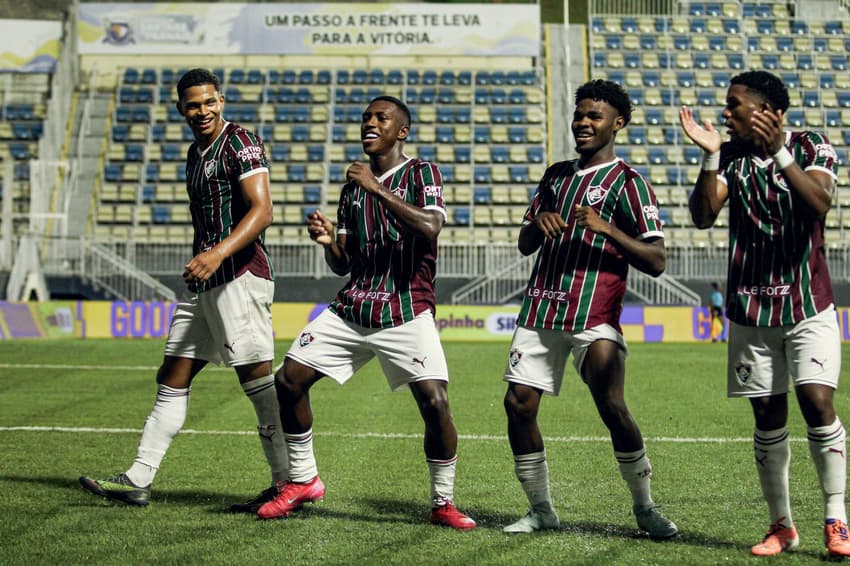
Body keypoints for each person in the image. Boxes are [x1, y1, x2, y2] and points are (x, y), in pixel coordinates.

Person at [254, 95, 475, 530]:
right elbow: (345, 263)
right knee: (288, 379)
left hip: (407, 308)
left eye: (380, 118)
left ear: (402, 131)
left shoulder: (420, 173)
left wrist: (378, 188)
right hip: (355, 305)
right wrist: (328, 244)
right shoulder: (351, 188)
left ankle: (442, 501)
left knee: (434, 402)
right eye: (365, 119)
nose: (369, 124)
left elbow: (431, 226)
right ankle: (303, 480)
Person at [80, 68, 287, 512]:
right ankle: (138, 478)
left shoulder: (240, 141)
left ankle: (286, 482)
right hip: (205, 283)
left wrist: (215, 254)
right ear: (181, 109)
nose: (202, 111)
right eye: (193, 105)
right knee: (171, 375)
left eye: (209, 102)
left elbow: (263, 210)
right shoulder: (196, 153)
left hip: (239, 275)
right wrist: (204, 261)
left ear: (222, 101)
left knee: (257, 381)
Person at [680, 69, 849, 558]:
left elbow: (819, 203)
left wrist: (778, 152)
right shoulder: (730, 156)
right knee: (767, 416)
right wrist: (710, 157)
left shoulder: (811, 145)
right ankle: (782, 525)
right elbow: (703, 215)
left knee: (817, 404)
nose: (725, 114)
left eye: (733, 105)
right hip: (751, 310)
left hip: (807, 305)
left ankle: (836, 517)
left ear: (765, 111)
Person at [501, 79, 678, 539]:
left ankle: (645, 507)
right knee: (517, 405)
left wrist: (607, 230)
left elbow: (657, 260)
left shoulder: (630, 184)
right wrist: (538, 225)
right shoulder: (556, 175)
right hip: (540, 310)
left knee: (612, 405)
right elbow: (524, 244)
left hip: (595, 314)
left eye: (593, 116)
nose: (582, 122)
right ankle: (541, 509)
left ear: (617, 124)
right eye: (579, 114)